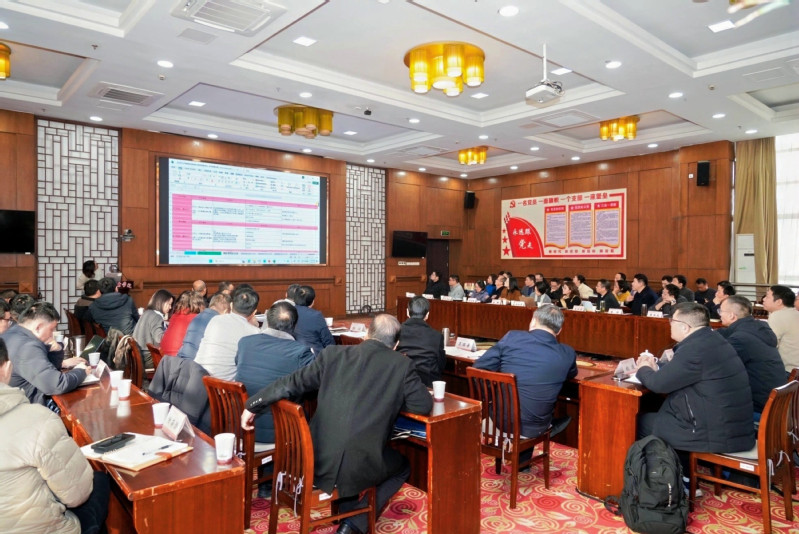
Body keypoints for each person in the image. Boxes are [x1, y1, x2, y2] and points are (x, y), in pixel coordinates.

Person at [241, 314, 432, 534]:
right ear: (396, 344)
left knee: (351, 451)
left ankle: (347, 514)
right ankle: (354, 524)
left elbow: (291, 383)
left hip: (313, 456)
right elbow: (422, 405)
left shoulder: (332, 355)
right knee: (402, 465)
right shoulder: (401, 365)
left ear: (367, 334)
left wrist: (253, 404)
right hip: (355, 465)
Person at [0, 338, 111, 534]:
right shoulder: (36, 419)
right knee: (100, 481)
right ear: (8, 368)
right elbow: (78, 494)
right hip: (42, 529)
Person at [635, 302, 755, 473]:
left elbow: (657, 384)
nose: (670, 325)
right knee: (659, 411)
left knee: (639, 422)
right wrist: (658, 368)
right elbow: (686, 372)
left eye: (672, 321)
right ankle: (682, 472)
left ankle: (671, 478)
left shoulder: (694, 349)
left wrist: (643, 368)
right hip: (730, 424)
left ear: (684, 327)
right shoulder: (713, 340)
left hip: (713, 431)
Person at [235, 301, 315, 498]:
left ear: (267, 321)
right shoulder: (300, 352)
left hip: (241, 425)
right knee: (301, 410)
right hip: (278, 432)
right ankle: (289, 481)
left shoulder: (245, 343)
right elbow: (312, 385)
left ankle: (267, 483)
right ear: (294, 326)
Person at [474, 305, 576, 440]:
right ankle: (549, 427)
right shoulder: (568, 353)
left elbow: (478, 369)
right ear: (559, 331)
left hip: (500, 422)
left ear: (533, 321)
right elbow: (571, 374)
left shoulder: (513, 337)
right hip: (535, 428)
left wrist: (492, 398)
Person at [1, 302, 87, 407]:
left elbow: (48, 370)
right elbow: (56, 385)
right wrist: (81, 371)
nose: (51, 335)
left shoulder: (11, 333)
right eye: (51, 329)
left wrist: (56, 350)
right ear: (38, 327)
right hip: (26, 406)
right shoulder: (28, 347)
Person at [718, 295, 785, 415]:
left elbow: (717, 366)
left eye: (721, 311)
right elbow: (726, 332)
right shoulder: (757, 328)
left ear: (732, 315)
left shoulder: (740, 339)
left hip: (758, 409)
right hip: (776, 405)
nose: (719, 314)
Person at [195, 286, 260, 380]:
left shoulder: (215, 320)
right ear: (254, 313)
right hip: (224, 387)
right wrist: (254, 327)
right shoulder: (254, 333)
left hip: (198, 378)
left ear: (231, 305)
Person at [397, 296, 446, 387]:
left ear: (407, 312)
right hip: (427, 386)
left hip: (401, 384)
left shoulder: (396, 332)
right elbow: (441, 365)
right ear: (427, 315)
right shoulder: (437, 336)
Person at [177, 292, 231, 360]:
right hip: (195, 362)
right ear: (226, 311)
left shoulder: (197, 317)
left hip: (181, 359)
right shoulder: (218, 321)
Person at [132, 289, 174, 369]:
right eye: (169, 304)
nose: (170, 307)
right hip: (148, 359)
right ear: (161, 302)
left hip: (140, 356)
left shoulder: (147, 313)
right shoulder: (156, 317)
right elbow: (159, 340)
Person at [762, 285, 799, 374]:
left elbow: (769, 346)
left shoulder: (777, 316)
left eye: (767, 296)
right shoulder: (795, 313)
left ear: (779, 302)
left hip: (787, 371)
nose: (763, 299)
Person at [160, 290, 205, 356]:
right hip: (179, 359)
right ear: (200, 304)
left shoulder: (174, 316)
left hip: (165, 358)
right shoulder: (196, 318)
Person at [292, 285, 335, 352]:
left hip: (293, 353)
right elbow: (328, 341)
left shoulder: (287, 312)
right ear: (312, 301)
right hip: (314, 354)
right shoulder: (316, 315)